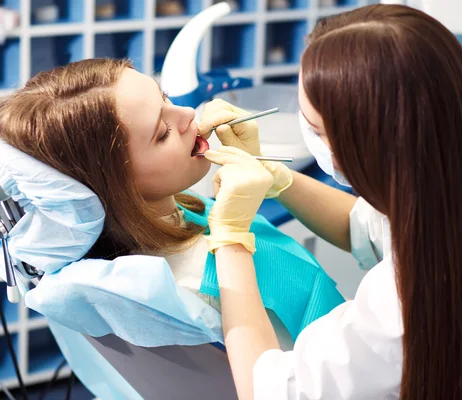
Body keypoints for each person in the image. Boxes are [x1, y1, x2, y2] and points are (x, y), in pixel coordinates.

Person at [196, 4, 462, 399]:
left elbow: (266, 389)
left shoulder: (400, 306)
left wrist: (230, 237)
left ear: (369, 146)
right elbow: (363, 225)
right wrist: (279, 179)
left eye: (315, 129)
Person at [0, 57, 346, 351]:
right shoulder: (197, 285)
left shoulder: (183, 214)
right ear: (114, 188)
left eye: (164, 96)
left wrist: (274, 176)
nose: (186, 114)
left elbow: (362, 226)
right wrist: (232, 238)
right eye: (162, 132)